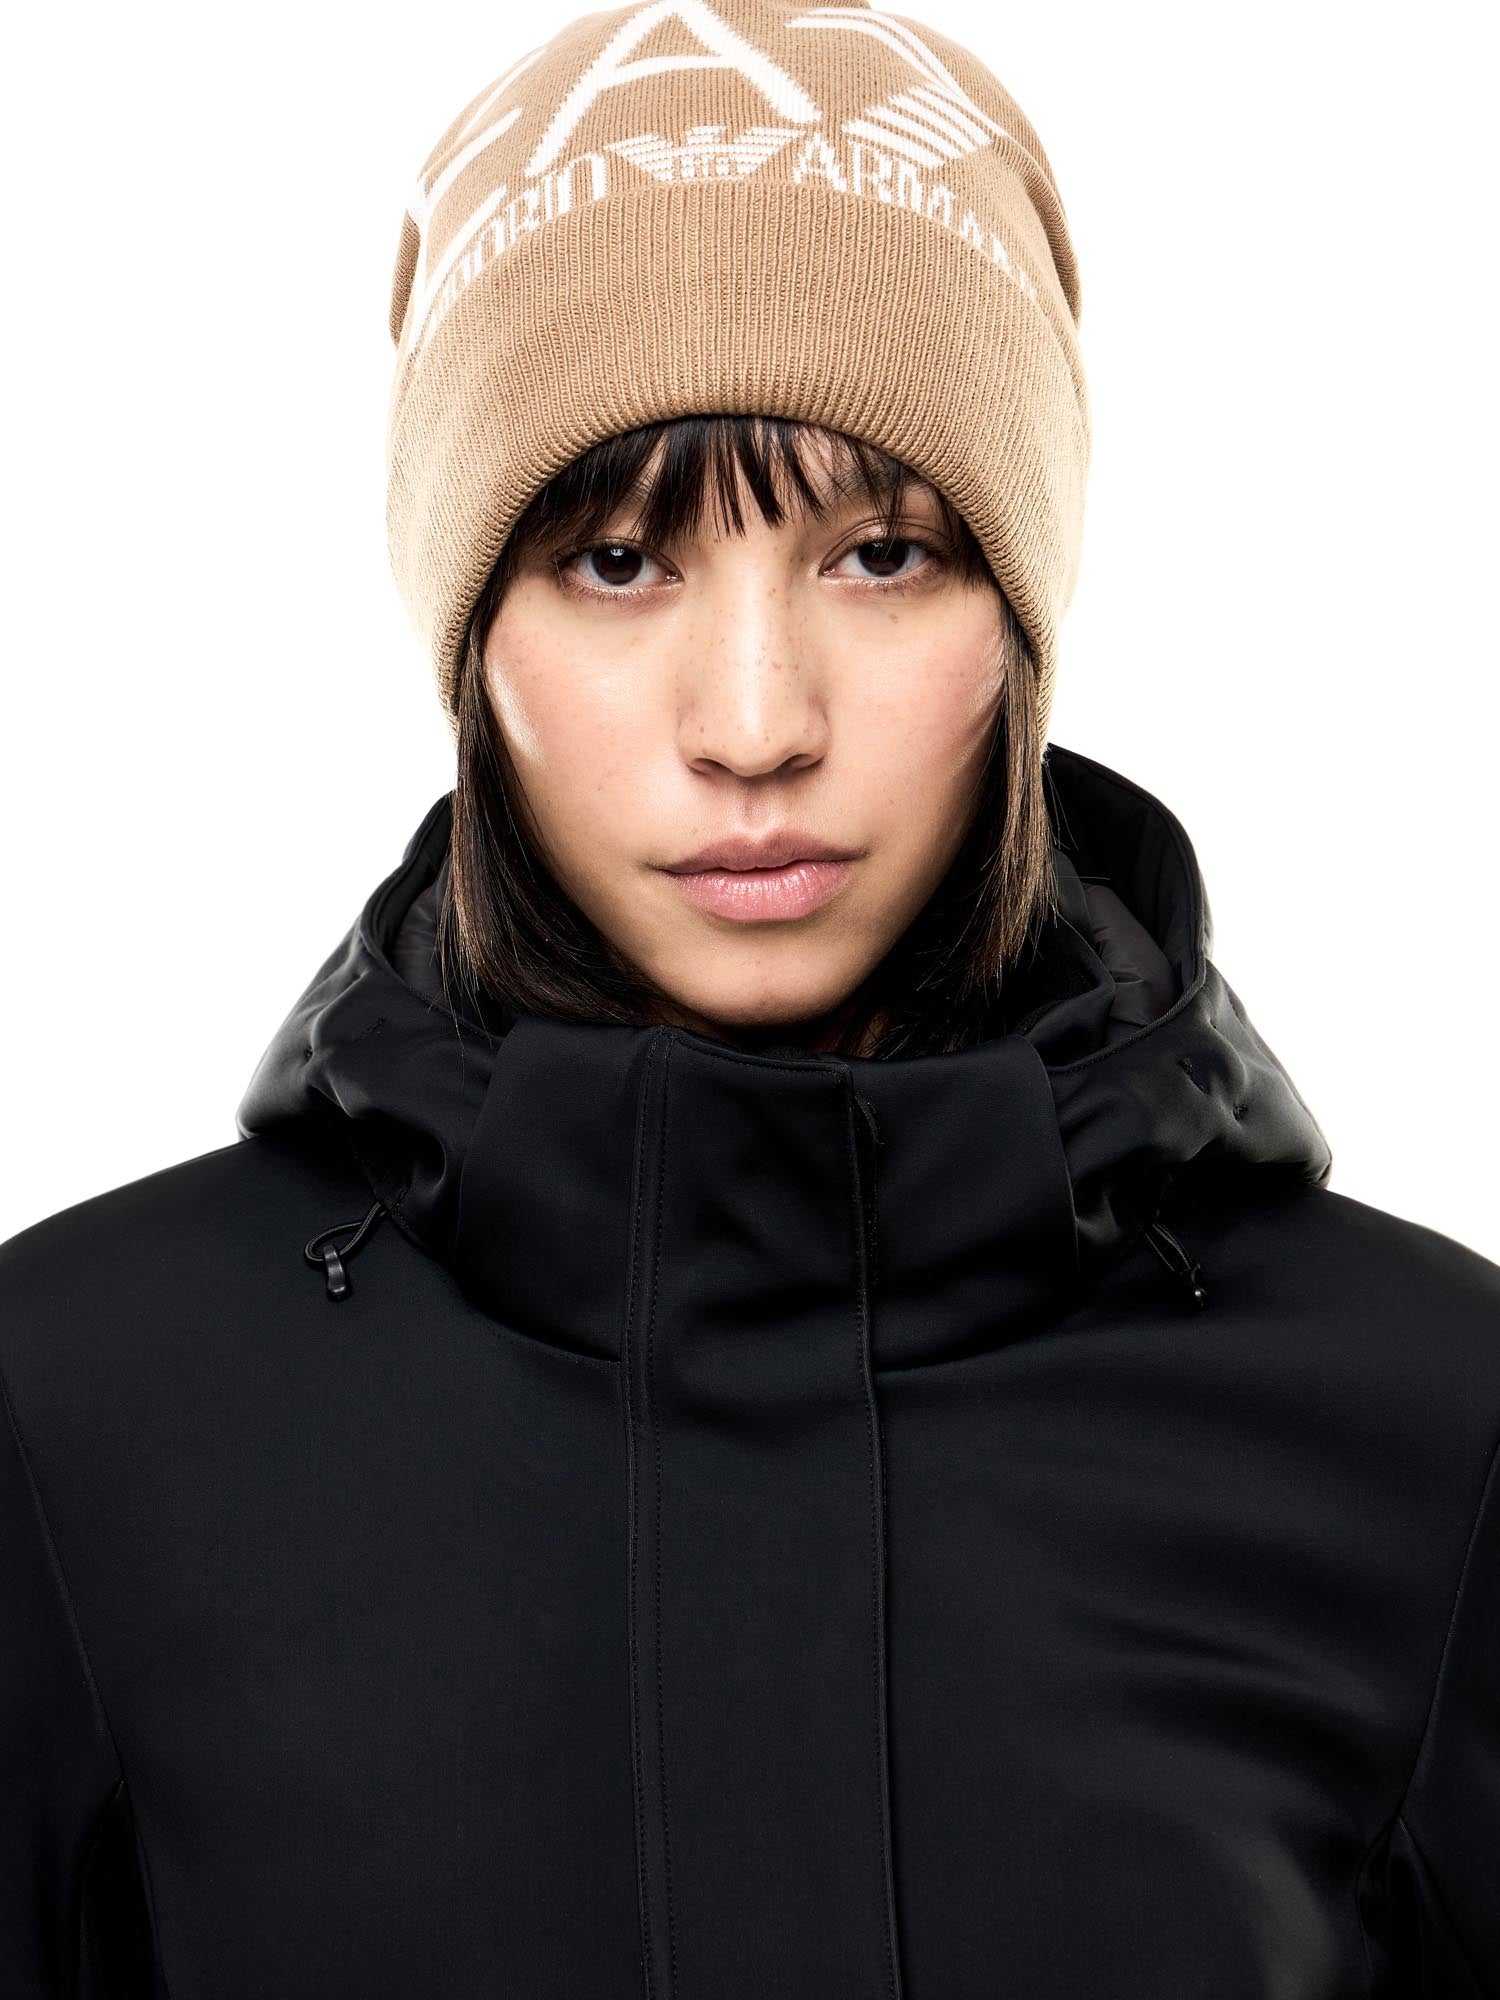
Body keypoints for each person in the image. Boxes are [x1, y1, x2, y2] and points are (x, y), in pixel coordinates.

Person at [2, 1, 1496, 1994]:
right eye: (619, 561)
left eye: (883, 555)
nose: (758, 722)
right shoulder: (76, 1417)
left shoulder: (1435, 1429)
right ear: (470, 632)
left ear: (1020, 615)